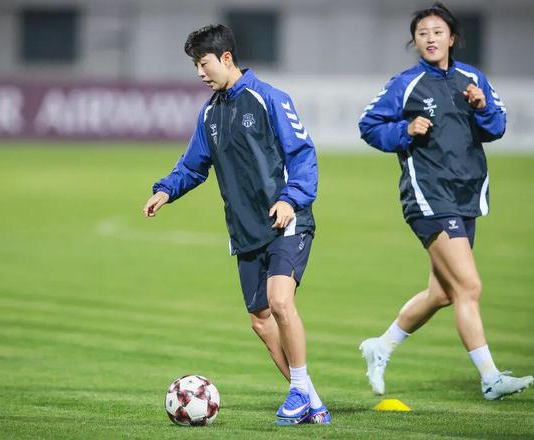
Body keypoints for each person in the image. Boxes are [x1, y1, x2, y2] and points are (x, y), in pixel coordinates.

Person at [143, 24, 330, 425]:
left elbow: (302, 154)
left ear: (226, 58)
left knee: (280, 302)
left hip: (286, 220)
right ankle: (311, 400)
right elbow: (193, 165)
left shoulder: (269, 99)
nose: (199, 73)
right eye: (195, 65)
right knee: (260, 320)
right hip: (245, 230)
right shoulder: (210, 113)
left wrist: (290, 198)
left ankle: (298, 391)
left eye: (203, 63)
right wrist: (166, 190)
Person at [358, 2, 532, 400]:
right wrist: (405, 129)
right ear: (415, 42)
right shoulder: (406, 84)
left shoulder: (473, 79)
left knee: (442, 293)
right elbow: (368, 125)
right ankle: (490, 378)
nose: (430, 38)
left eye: (437, 32)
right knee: (469, 286)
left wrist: (482, 107)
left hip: (466, 194)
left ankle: (381, 346)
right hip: (428, 196)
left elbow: (497, 127)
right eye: (422, 33)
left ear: (452, 38)